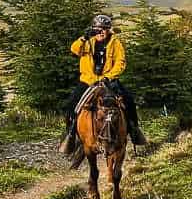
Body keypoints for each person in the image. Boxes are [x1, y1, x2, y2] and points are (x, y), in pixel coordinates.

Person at [59, 14, 148, 154]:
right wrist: (84, 37)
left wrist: (109, 76)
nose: (100, 32)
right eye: (97, 29)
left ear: (108, 30)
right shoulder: (87, 41)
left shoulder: (115, 43)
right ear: (92, 29)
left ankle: (135, 131)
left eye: (103, 29)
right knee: (71, 104)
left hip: (109, 80)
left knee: (129, 100)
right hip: (88, 80)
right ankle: (70, 135)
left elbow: (120, 62)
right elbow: (74, 50)